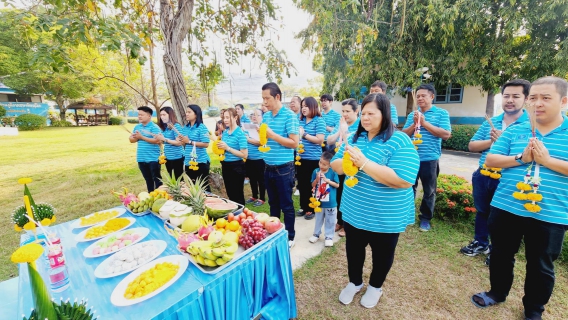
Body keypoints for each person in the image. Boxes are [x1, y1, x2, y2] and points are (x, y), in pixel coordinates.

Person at [471, 76, 568, 320]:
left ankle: (533, 310)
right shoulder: (516, 130)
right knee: (501, 254)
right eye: (533, 98)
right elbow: (492, 159)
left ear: (563, 101)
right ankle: (497, 292)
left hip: (549, 212)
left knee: (541, 265)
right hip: (506, 205)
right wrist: (521, 159)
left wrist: (547, 161)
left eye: (546, 98)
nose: (538, 104)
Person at [331, 93, 419, 309]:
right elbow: (335, 164)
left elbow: (404, 179)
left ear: (385, 114)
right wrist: (345, 161)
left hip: (386, 215)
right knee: (354, 250)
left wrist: (363, 163)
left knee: (382, 254)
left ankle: (375, 287)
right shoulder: (354, 138)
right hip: (354, 210)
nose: (366, 118)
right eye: (364, 113)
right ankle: (355, 282)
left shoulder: (399, 140)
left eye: (372, 113)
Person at [460, 79, 531, 265]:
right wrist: (492, 142)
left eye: (516, 96)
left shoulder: (530, 125)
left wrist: (503, 142)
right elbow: (472, 145)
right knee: (482, 211)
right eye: (506, 96)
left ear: (526, 99)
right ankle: (481, 242)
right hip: (484, 174)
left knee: (505, 217)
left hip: (509, 177)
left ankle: (498, 251)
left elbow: (528, 155)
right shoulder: (492, 122)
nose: (510, 100)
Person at [402, 84, 452, 231]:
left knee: (429, 191)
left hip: (430, 159)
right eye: (418, 96)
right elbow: (404, 135)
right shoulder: (413, 114)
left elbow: (446, 134)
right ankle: (407, 215)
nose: (420, 98)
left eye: (423, 95)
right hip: (411, 158)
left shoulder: (442, 113)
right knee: (408, 187)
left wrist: (424, 123)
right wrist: (415, 123)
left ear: (432, 97)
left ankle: (425, 218)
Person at [261, 82, 300, 248]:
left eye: (267, 98)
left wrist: (272, 135)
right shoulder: (266, 116)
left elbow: (294, 143)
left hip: (284, 169)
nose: (264, 102)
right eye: (263, 98)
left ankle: (290, 236)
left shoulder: (290, 116)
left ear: (277, 97)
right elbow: (265, 139)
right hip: (268, 167)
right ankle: (274, 233)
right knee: (273, 203)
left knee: (286, 205)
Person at [326, 98, 360, 237]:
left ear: (356, 111)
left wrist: (346, 133)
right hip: (339, 163)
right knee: (339, 193)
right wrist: (340, 131)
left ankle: (347, 224)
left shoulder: (361, 125)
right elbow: (329, 140)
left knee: (350, 193)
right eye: (343, 111)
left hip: (353, 166)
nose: (345, 114)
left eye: (348, 111)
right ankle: (339, 221)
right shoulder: (341, 123)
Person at [297, 97, 326, 220]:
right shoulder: (300, 121)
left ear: (313, 107)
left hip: (313, 159)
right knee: (302, 184)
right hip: (300, 158)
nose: (303, 108)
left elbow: (320, 140)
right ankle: (304, 206)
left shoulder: (319, 121)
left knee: (313, 184)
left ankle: (313, 208)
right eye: (302, 106)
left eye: (306, 106)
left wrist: (304, 134)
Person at [217, 108, 248, 205]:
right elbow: (223, 148)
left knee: (237, 194)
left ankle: (241, 215)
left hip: (237, 167)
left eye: (227, 117)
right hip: (226, 165)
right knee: (230, 193)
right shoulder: (225, 132)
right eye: (224, 117)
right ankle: (233, 215)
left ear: (235, 118)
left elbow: (244, 154)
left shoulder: (240, 133)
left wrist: (228, 148)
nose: (225, 120)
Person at [309, 151, 339, 247]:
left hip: (330, 202)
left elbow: (337, 185)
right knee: (318, 219)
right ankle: (316, 234)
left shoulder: (333, 172)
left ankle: (329, 237)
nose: (321, 165)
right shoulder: (315, 171)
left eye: (325, 164)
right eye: (320, 162)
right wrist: (317, 180)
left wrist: (327, 181)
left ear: (330, 165)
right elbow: (312, 185)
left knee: (330, 220)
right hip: (319, 202)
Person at [129, 106, 163, 192]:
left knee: (157, 180)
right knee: (148, 179)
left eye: (142, 115)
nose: (139, 116)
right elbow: (131, 140)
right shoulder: (137, 127)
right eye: (138, 115)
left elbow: (158, 141)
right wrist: (136, 137)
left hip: (153, 159)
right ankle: (151, 195)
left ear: (149, 116)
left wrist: (141, 137)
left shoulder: (154, 127)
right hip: (141, 158)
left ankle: (161, 197)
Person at [178, 104, 211, 191]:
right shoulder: (185, 127)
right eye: (186, 112)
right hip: (189, 161)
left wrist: (189, 141)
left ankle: (209, 203)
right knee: (193, 187)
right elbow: (184, 143)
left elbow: (206, 144)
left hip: (200, 162)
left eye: (189, 112)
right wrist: (181, 141)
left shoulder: (202, 127)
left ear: (196, 114)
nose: (187, 114)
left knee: (204, 187)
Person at [245, 108, 266, 206]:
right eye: (253, 114)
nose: (254, 116)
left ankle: (262, 198)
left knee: (260, 179)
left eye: (257, 115)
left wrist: (249, 139)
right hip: (249, 157)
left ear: (262, 117)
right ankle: (254, 196)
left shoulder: (263, 127)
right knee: (252, 178)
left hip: (260, 158)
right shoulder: (248, 127)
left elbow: (261, 143)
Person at [156, 106, 185, 179]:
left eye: (164, 115)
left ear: (170, 115)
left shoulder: (176, 126)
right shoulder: (165, 127)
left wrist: (164, 139)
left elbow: (179, 142)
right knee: (172, 179)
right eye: (161, 115)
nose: (162, 117)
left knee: (179, 180)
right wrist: (160, 139)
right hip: (168, 157)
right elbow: (164, 141)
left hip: (177, 157)